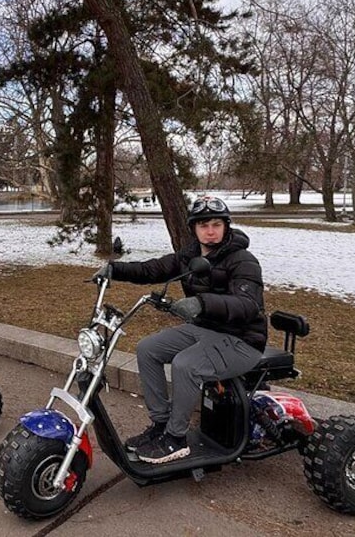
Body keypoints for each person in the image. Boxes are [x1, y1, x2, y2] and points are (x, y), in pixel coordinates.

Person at [94, 196, 267, 464]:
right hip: (205, 330)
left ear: (226, 226)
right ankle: (161, 425)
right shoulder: (190, 257)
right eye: (203, 225)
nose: (210, 231)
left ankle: (176, 439)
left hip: (242, 340)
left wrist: (201, 303)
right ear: (194, 229)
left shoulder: (243, 260)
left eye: (216, 224)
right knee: (147, 349)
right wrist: (114, 269)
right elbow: (153, 269)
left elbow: (249, 304)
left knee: (186, 364)